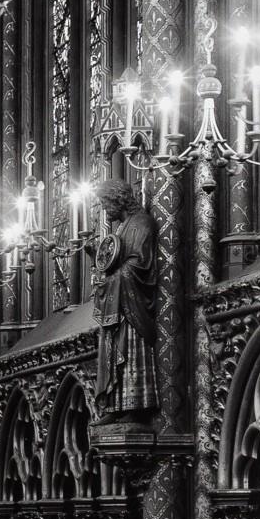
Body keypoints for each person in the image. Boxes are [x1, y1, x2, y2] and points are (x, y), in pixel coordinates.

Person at [89, 177, 160, 424]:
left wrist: (110, 282)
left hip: (133, 307)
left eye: (106, 203)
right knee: (113, 350)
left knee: (130, 351)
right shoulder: (121, 227)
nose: (105, 209)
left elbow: (138, 265)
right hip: (118, 304)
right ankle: (116, 405)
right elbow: (114, 262)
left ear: (118, 200)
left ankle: (136, 406)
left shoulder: (141, 223)